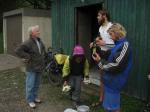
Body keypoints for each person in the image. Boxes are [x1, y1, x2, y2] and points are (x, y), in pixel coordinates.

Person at [92, 23, 133, 112]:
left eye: (111, 34)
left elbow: (116, 65)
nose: (110, 37)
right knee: (109, 107)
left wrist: (100, 62)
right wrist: (98, 50)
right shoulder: (117, 45)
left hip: (115, 82)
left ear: (117, 32)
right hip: (109, 80)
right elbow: (107, 54)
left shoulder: (125, 45)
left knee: (113, 108)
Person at [15, 25, 46, 108]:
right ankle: (30, 100)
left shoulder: (39, 40)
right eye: (37, 31)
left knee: (36, 84)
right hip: (31, 67)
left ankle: (35, 97)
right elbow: (18, 50)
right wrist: (27, 56)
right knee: (30, 85)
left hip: (39, 67)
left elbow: (42, 50)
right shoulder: (28, 42)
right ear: (32, 33)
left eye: (38, 30)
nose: (39, 32)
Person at [90, 9, 115, 105]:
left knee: (109, 77)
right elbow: (100, 38)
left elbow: (116, 44)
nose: (97, 17)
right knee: (102, 77)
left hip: (111, 54)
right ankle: (101, 98)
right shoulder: (100, 28)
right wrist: (94, 42)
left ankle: (109, 98)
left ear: (104, 16)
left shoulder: (112, 27)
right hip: (102, 54)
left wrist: (104, 43)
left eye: (98, 15)